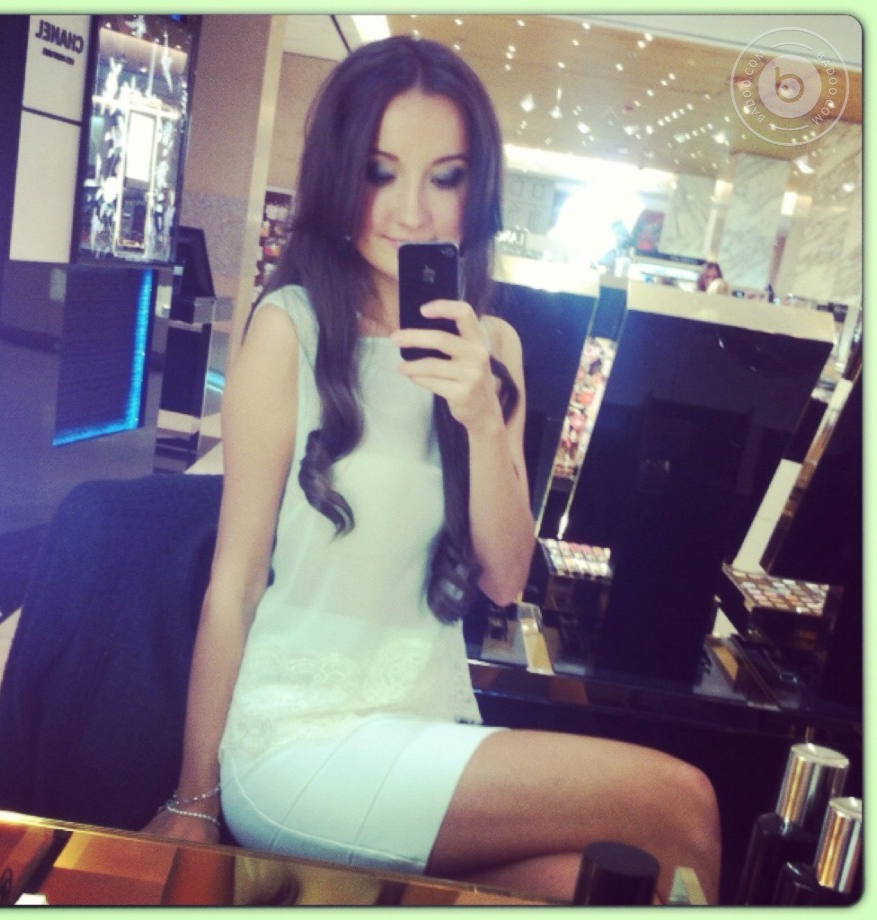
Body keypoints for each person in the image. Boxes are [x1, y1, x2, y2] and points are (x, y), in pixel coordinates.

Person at [144, 35, 721, 904]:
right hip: (297, 740)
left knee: (586, 886)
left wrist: (482, 415)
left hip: (431, 728)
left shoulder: (496, 349)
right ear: (341, 177)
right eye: (381, 172)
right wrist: (195, 799)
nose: (412, 210)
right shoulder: (290, 330)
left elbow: (505, 579)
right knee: (682, 805)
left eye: (443, 178)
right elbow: (235, 582)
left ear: (473, 192)